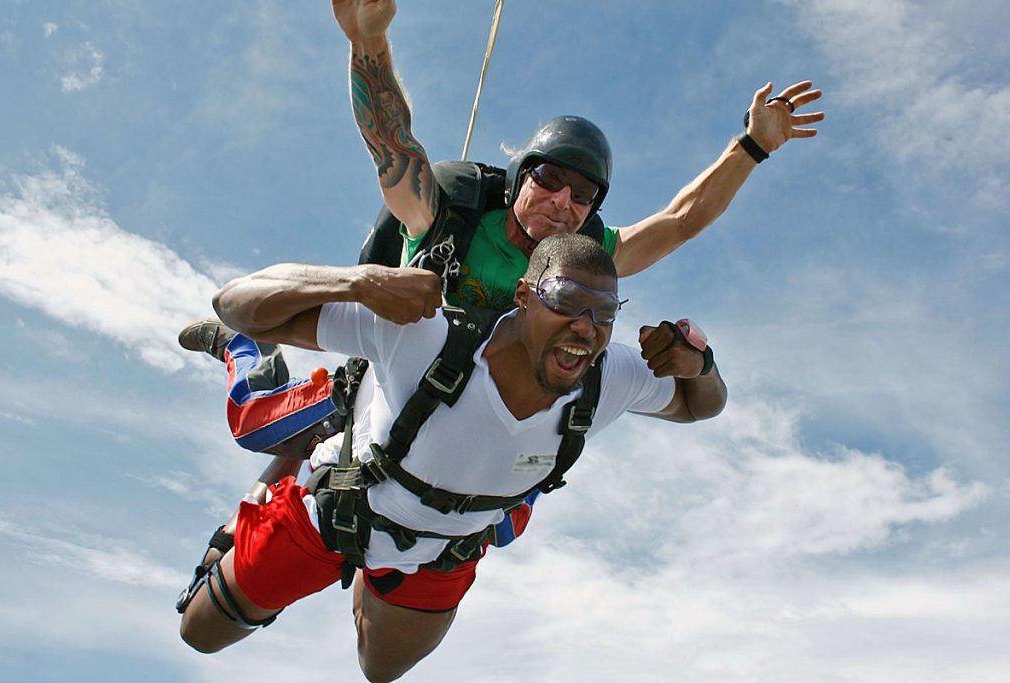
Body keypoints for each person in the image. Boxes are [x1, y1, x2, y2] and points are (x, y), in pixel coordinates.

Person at [178, 0, 822, 576]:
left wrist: (752, 146)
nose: (563, 203)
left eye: (585, 194)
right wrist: (366, 41)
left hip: (462, 425)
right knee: (266, 429)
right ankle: (240, 357)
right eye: (547, 179)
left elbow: (681, 221)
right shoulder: (447, 213)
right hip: (387, 372)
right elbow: (390, 144)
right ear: (517, 180)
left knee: (495, 517)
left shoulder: (586, 257)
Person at [178, 234, 728, 681]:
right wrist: (362, 282)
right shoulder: (423, 336)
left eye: (604, 312)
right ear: (522, 296)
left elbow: (696, 407)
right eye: (563, 299)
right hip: (337, 510)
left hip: (442, 548)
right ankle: (265, 409)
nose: (585, 326)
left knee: (380, 670)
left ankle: (376, 570)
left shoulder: (611, 375)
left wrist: (700, 366)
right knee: (200, 634)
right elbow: (237, 302)